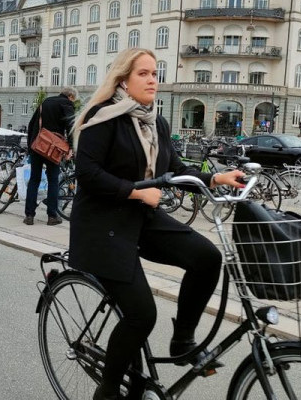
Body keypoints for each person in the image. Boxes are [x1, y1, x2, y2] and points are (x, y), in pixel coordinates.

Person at [69, 48, 245, 400]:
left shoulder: (155, 122)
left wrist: (216, 178)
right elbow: (86, 174)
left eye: (155, 73)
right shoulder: (102, 117)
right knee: (140, 314)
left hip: (142, 218)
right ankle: (106, 391)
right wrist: (134, 192)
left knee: (207, 258)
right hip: (102, 225)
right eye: (144, 74)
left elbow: (176, 169)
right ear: (123, 80)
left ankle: (182, 340)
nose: (153, 80)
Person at [23, 87, 77, 226]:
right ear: (70, 96)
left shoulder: (45, 102)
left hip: (38, 146)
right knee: (53, 180)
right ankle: (52, 216)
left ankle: (29, 216)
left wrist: (30, 147)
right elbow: (71, 126)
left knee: (34, 180)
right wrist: (71, 147)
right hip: (54, 149)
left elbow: (32, 124)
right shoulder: (67, 104)